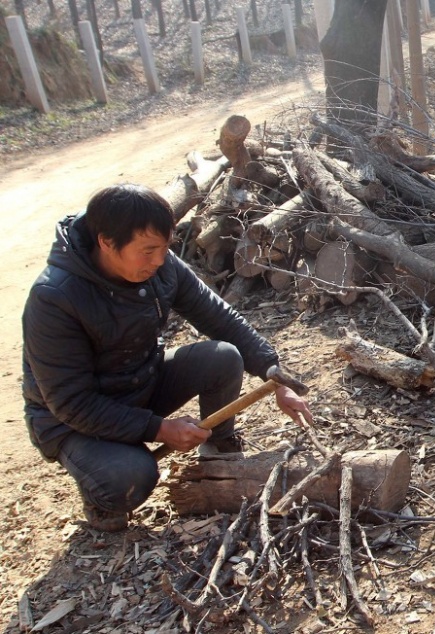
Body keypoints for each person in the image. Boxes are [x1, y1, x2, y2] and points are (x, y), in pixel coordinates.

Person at [21, 183, 314, 532]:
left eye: (165, 249)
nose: (159, 261)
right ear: (106, 242)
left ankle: (219, 453)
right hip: (73, 421)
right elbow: (72, 403)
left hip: (139, 382)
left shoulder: (160, 265)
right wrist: (160, 429)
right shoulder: (55, 298)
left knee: (223, 358)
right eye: (147, 251)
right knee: (130, 478)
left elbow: (218, 317)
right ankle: (100, 494)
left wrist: (274, 374)